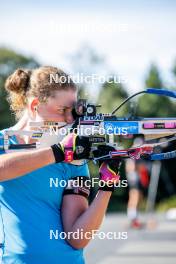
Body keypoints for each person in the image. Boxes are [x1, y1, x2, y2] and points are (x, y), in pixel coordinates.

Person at [0, 66, 121, 264]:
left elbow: (78, 238)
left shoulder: (73, 157)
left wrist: (107, 186)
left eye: (72, 111)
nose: (69, 119)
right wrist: (57, 152)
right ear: (34, 106)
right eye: (62, 110)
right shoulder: (4, 143)